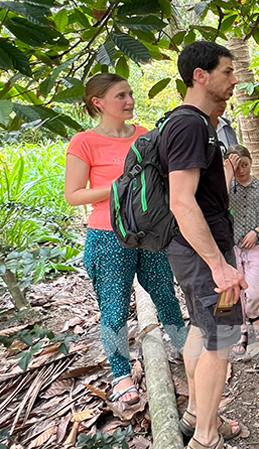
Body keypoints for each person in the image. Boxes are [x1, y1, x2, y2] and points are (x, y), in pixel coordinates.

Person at [64, 74, 186, 405]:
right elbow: (74, 195)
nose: (130, 100)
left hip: (151, 231)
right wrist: (120, 187)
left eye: (130, 94)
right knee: (114, 309)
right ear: (98, 102)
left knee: (166, 295)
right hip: (107, 235)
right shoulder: (84, 142)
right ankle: (120, 374)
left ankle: (183, 349)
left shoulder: (145, 136)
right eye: (121, 95)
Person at [161, 41, 248, 449]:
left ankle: (197, 412)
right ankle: (206, 437)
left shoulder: (182, 122)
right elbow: (181, 200)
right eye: (227, 72)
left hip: (191, 249)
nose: (234, 80)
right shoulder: (191, 124)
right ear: (201, 75)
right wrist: (219, 265)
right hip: (203, 251)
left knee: (201, 325)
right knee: (221, 338)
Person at [225, 144, 259, 356]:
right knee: (236, 290)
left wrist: (256, 231)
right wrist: (228, 174)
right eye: (237, 166)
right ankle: (242, 328)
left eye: (244, 165)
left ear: (251, 163)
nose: (242, 170)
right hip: (232, 247)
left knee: (254, 291)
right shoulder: (225, 187)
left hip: (254, 247)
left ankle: (254, 314)